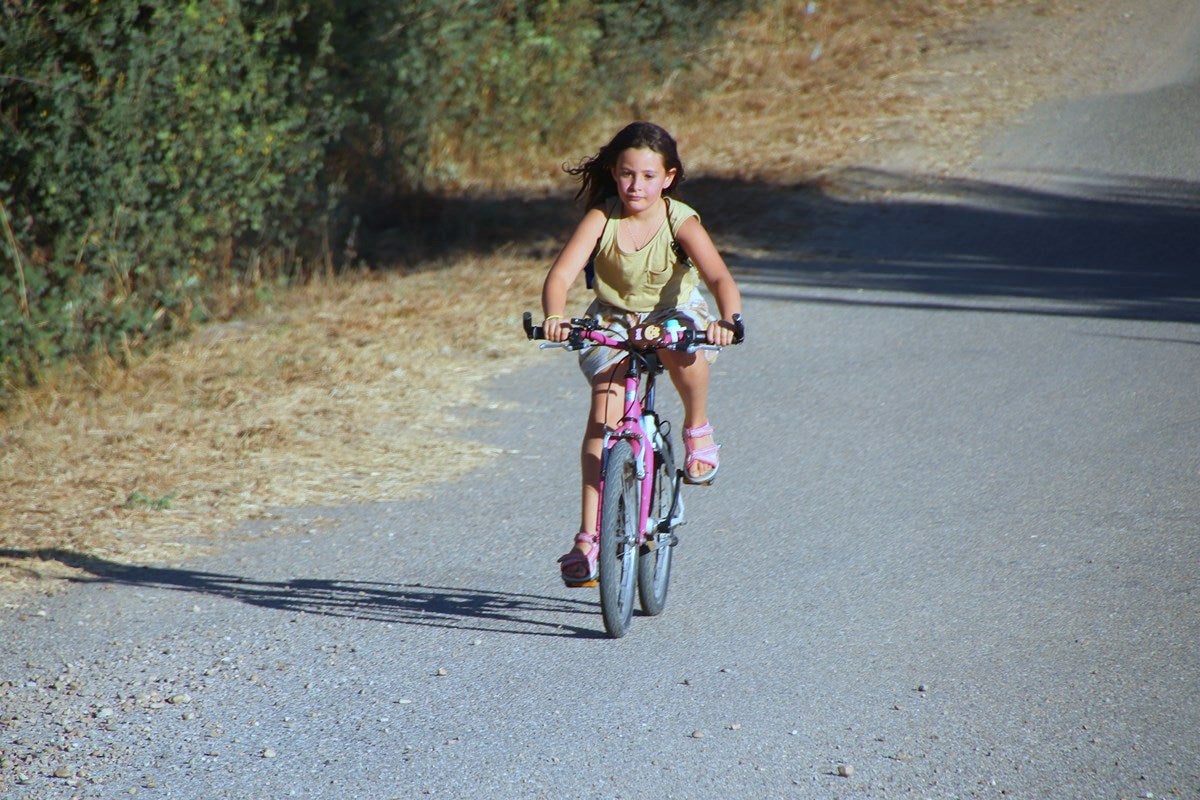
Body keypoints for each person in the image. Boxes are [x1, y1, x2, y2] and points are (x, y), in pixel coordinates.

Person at [540, 121, 744, 586]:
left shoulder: (680, 221)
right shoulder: (601, 218)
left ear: (668, 178)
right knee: (602, 417)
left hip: (673, 312)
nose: (637, 185)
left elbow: (718, 278)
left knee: (681, 348)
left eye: (649, 176)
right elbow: (560, 276)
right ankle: (588, 541)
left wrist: (727, 321)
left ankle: (697, 426)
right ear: (614, 173)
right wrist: (556, 315)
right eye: (628, 174)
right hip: (613, 317)